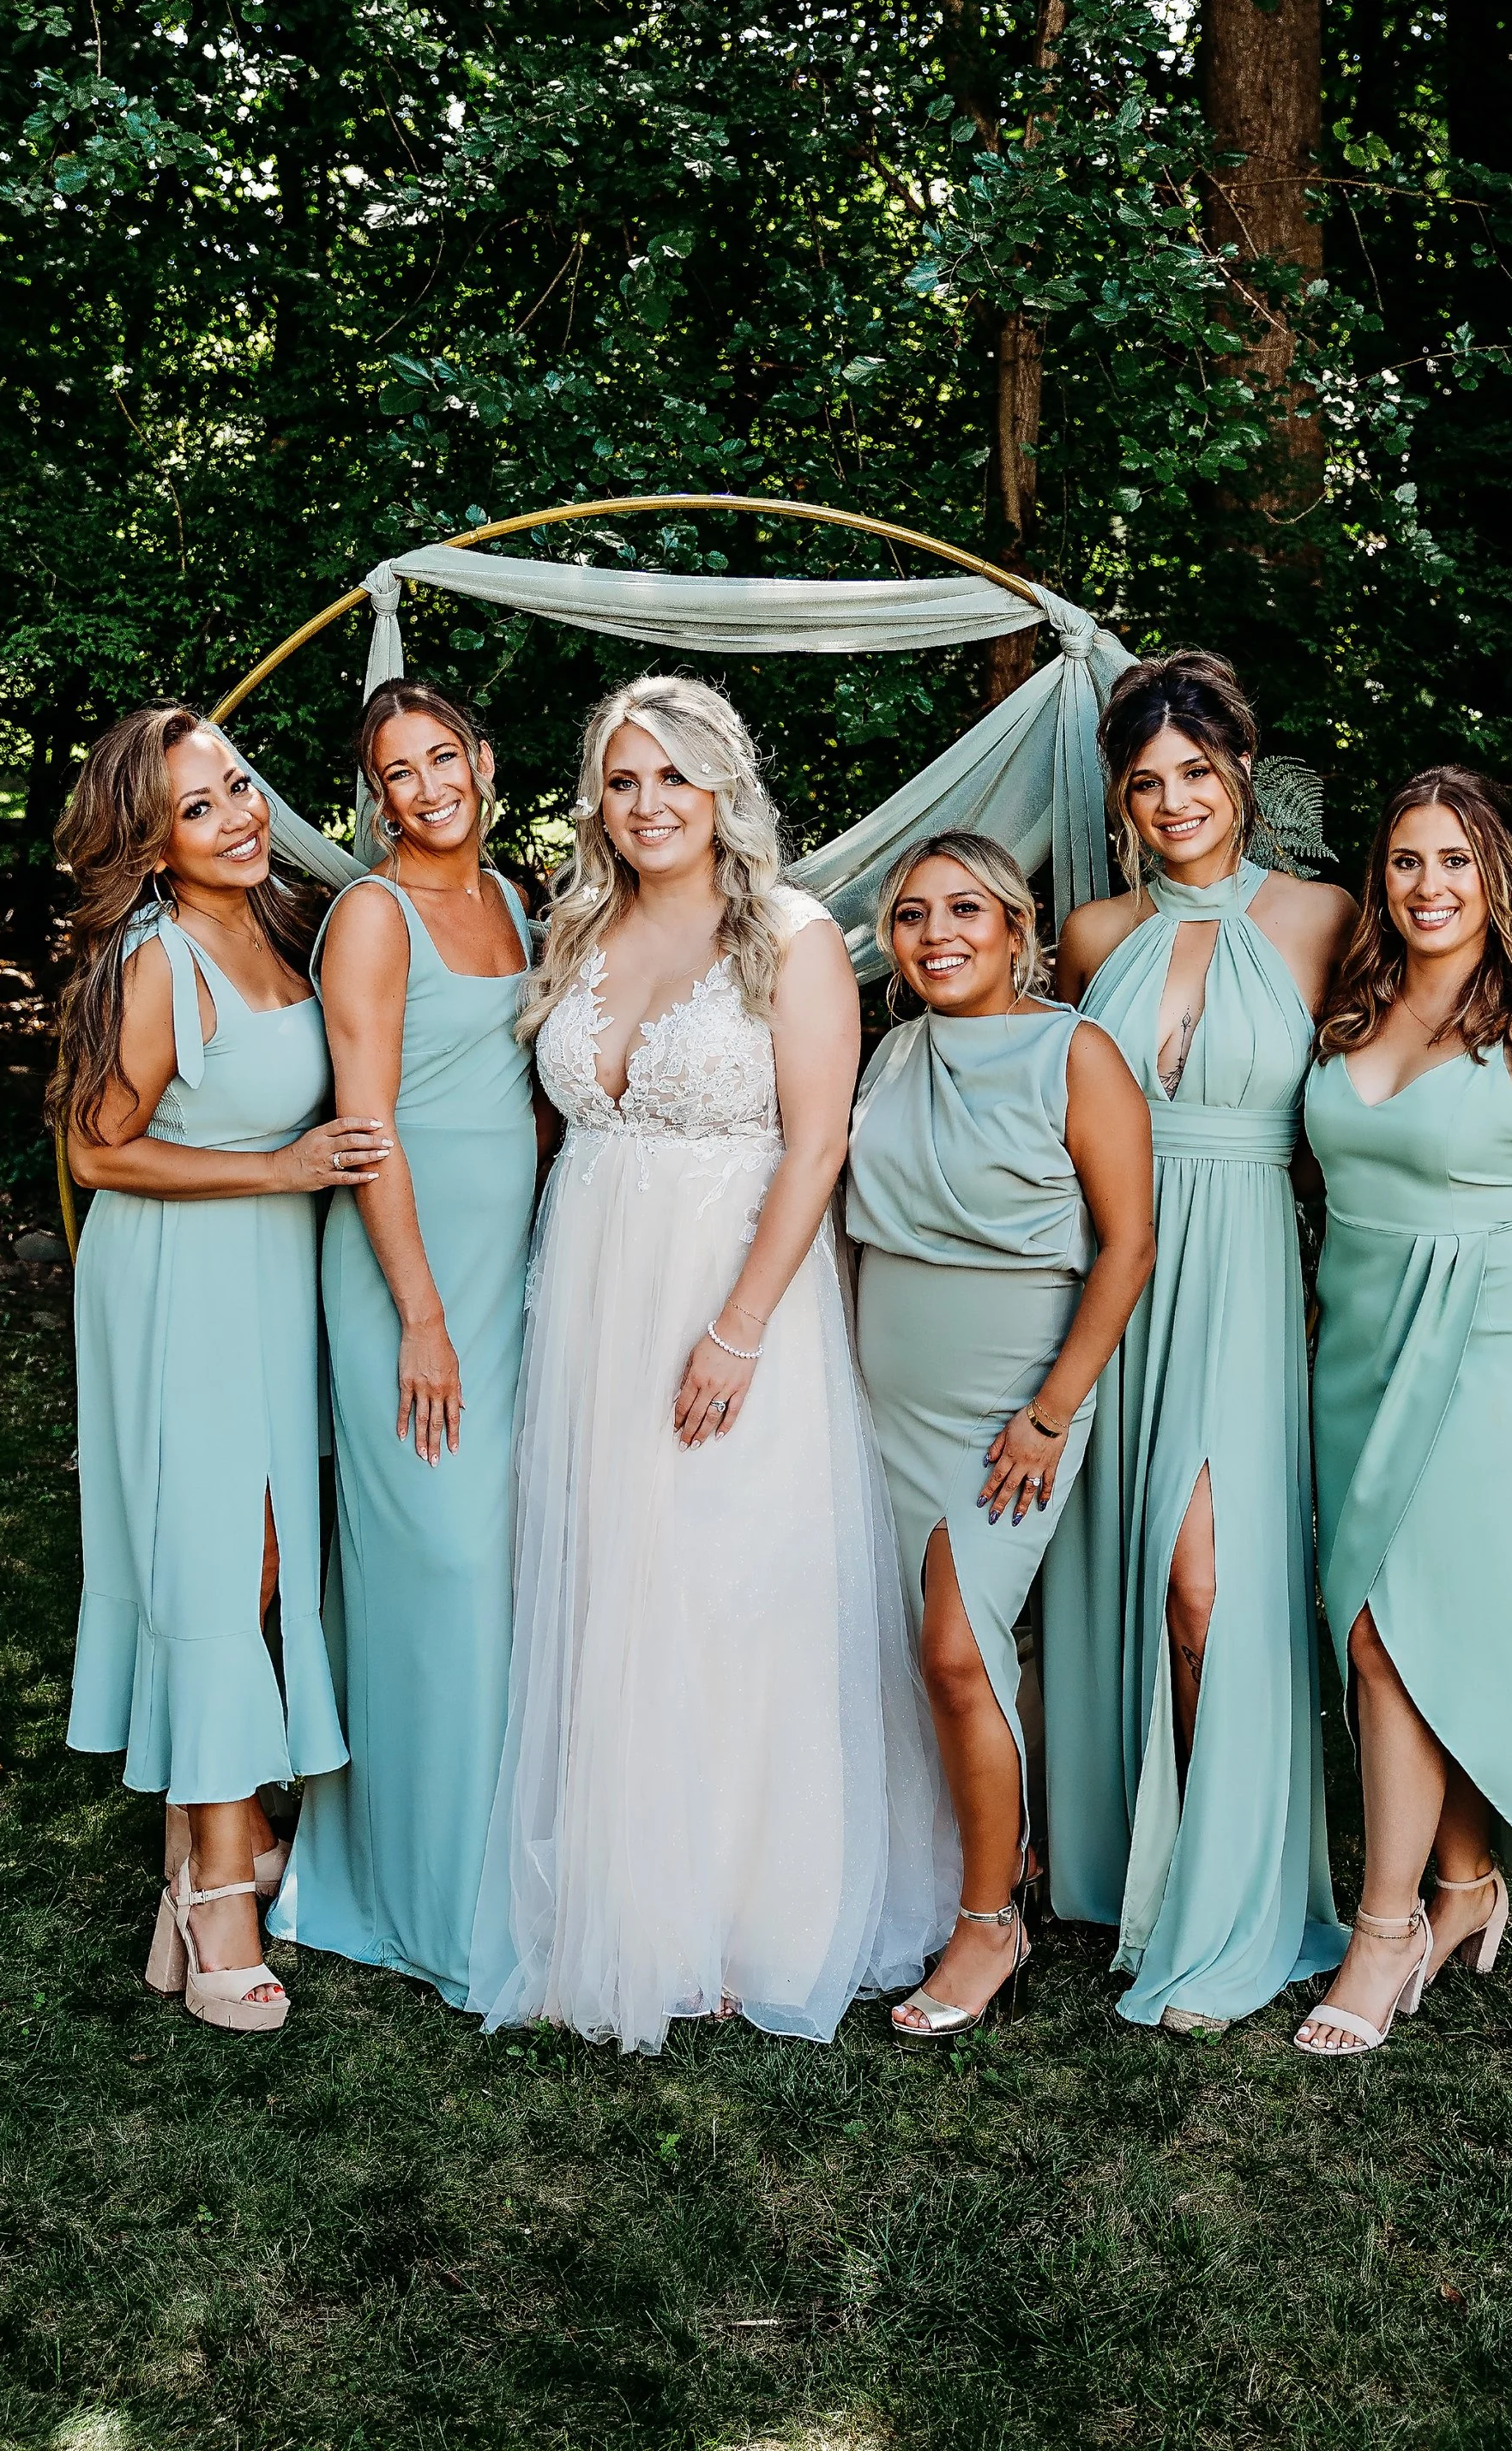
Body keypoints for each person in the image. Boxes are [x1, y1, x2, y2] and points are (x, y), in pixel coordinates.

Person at [469, 674, 948, 2052]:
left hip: (735, 1289)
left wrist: (737, 1328)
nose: (648, 804)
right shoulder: (581, 925)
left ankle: (748, 1908)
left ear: (724, 788)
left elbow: (816, 1145)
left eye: (673, 776)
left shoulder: (790, 936)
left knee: (731, 1579)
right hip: (597, 1288)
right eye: (622, 780)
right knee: (614, 1563)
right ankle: (627, 1890)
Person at [53, 708, 389, 2033]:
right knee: (220, 1562)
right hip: (179, 1275)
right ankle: (219, 1905)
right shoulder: (157, 957)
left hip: (266, 1279)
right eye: (199, 808)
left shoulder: (280, 922)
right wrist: (281, 1169)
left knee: (255, 1566)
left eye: (239, 787)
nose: (240, 816)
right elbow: (98, 1151)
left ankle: (206, 1853)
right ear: (150, 842)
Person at [1294, 767, 1512, 2057]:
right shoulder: (1354, 1010)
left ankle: (1385, 1932)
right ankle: (1464, 1884)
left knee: (1387, 1630)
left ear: (1497, 879)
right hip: (1360, 1349)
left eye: (1454, 862)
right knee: (1387, 1621)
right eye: (1404, 862)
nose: (1428, 887)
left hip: (1494, 1354)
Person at [1043, 651, 1353, 2030]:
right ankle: (1132, 1869)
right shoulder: (1094, 936)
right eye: (1147, 782)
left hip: (1237, 1275)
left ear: (1242, 777)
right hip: (1109, 1276)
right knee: (1105, 1572)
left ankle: (1228, 1894)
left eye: (1196, 774)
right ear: (1122, 799)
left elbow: (1394, 1081)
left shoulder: (1324, 917)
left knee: (1205, 1589)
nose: (1175, 802)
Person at [847, 836, 1154, 2043]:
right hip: (883, 1397)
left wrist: (1050, 1410)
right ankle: (981, 1857)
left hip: (1012, 1407)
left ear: (1019, 928)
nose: (938, 935)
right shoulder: (889, 1055)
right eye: (914, 916)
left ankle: (990, 1924)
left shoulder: (1076, 1053)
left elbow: (1128, 1244)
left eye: (965, 910)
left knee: (958, 1650)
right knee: (908, 1648)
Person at [268, 680, 535, 2008]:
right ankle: (416, 1893)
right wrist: (421, 1316)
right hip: (405, 1282)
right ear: (375, 797)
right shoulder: (373, 919)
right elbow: (366, 1131)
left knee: (501, 1577)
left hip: (511, 1273)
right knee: (441, 1562)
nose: (427, 788)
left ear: (485, 765)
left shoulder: (515, 904)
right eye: (398, 772)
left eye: (445, 759)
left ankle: (498, 1866)